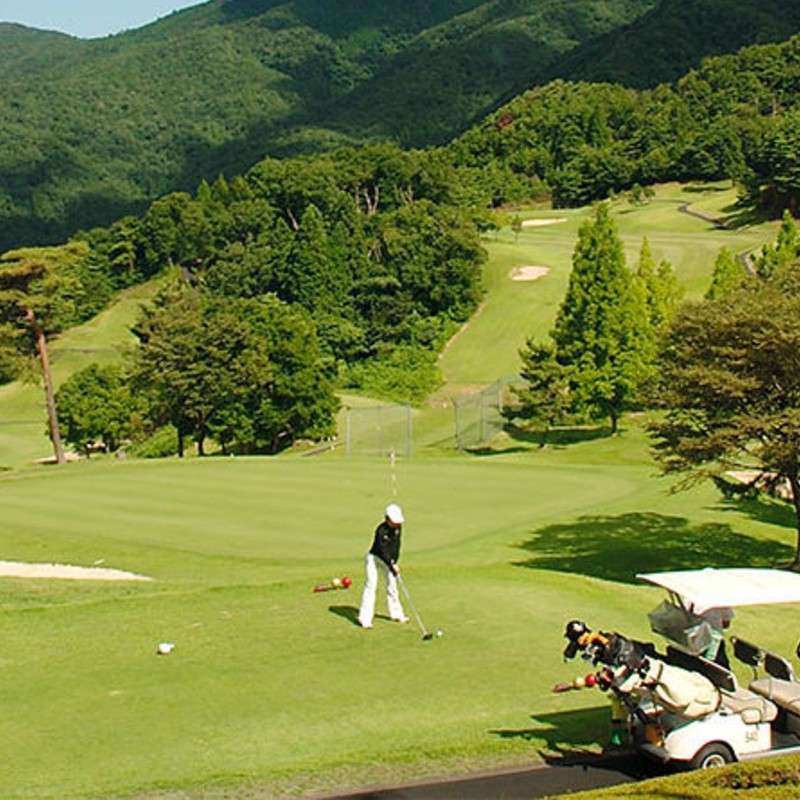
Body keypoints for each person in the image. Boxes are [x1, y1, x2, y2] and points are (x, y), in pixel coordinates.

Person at [358, 503, 408, 629]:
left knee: (392, 586)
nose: (396, 524)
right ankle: (365, 619)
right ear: (387, 519)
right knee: (371, 586)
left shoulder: (398, 528)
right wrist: (391, 564)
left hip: (388, 560)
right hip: (374, 559)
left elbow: (396, 547)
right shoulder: (381, 531)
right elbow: (383, 551)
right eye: (394, 521)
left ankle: (397, 614)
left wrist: (394, 562)